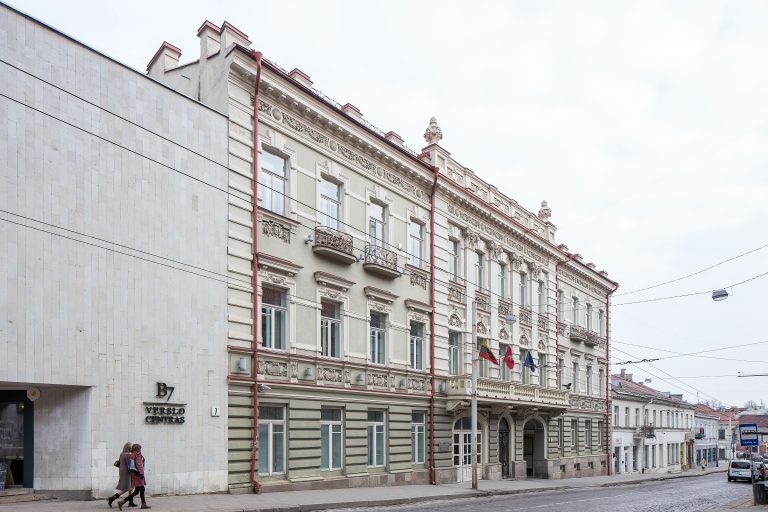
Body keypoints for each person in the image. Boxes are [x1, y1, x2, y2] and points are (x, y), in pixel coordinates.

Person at [119, 444, 150, 510]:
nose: (140, 450)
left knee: (139, 490)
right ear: (137, 449)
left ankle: (143, 504)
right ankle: (122, 502)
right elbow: (139, 464)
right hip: (139, 474)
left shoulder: (131, 454)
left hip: (134, 474)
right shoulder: (137, 454)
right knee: (138, 490)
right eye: (139, 449)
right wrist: (141, 474)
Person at [107, 442, 136, 508]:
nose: (132, 448)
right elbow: (130, 465)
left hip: (122, 471)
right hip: (127, 472)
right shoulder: (128, 455)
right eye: (131, 447)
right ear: (129, 447)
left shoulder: (122, 453)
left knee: (131, 486)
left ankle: (130, 502)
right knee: (127, 488)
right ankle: (112, 498)